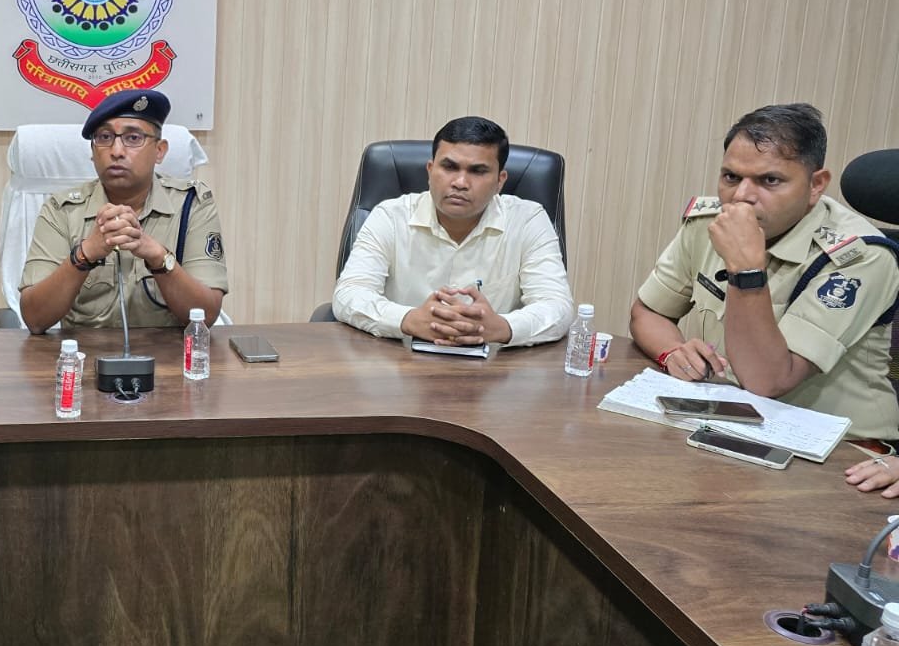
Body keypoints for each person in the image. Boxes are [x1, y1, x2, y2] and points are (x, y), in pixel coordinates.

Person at [629, 103, 899, 491]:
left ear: (816, 185)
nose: (741, 196)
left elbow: (767, 379)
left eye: (769, 180)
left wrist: (746, 270)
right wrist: (672, 352)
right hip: (733, 427)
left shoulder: (860, 257)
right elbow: (648, 312)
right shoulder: (710, 221)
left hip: (839, 459)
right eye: (731, 176)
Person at [331, 116, 574, 347]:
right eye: (449, 167)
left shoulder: (528, 220)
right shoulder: (390, 216)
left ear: (500, 181)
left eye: (477, 171)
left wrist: (503, 327)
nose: (460, 183)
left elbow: (556, 306)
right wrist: (408, 320)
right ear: (430, 170)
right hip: (398, 358)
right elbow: (350, 293)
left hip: (495, 365)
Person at [19, 90, 227, 333]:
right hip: (85, 352)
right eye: (104, 137)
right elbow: (35, 318)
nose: (116, 151)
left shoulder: (192, 204)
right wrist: (85, 255)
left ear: (159, 151)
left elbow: (207, 315)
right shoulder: (62, 210)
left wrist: (159, 258)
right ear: (92, 152)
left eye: (133, 138)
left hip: (168, 353)